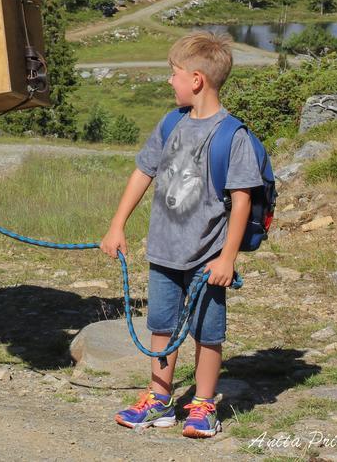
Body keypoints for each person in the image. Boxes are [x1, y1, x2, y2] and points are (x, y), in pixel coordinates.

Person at [100, 31, 262, 439]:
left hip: (207, 257)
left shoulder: (232, 136)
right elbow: (143, 172)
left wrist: (227, 258)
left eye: (173, 74)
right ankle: (159, 400)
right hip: (163, 252)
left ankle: (204, 404)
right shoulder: (171, 122)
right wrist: (117, 225)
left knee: (208, 333)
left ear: (195, 80)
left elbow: (242, 200)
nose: (169, 81)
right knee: (162, 325)